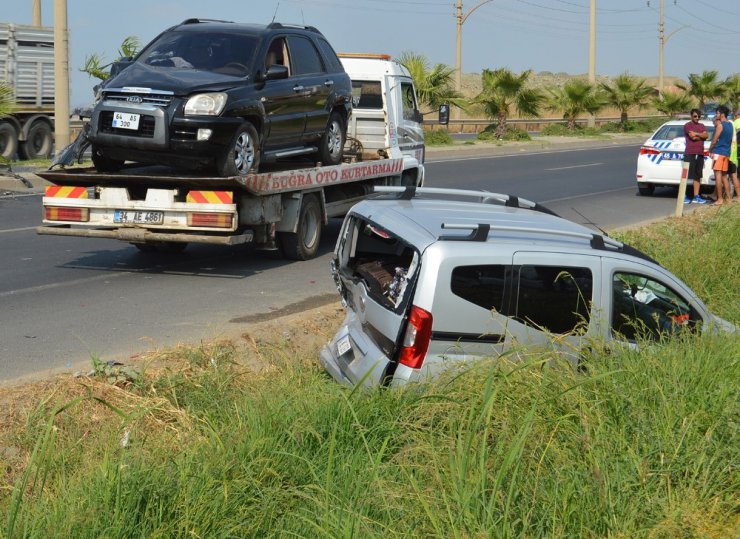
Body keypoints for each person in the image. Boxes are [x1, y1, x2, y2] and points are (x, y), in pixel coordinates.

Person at [683, 108, 710, 204]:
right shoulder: (687, 125)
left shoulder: (702, 125)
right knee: (687, 176)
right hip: (690, 153)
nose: (697, 118)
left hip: (700, 153)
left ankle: (696, 196)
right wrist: (701, 136)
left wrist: (698, 134)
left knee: (697, 176)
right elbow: (692, 137)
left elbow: (706, 136)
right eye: (695, 116)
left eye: (699, 116)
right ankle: (684, 195)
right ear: (691, 116)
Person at [708, 105, 733, 205]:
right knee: (724, 176)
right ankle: (729, 198)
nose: (716, 115)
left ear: (722, 114)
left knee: (717, 175)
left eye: (717, 113)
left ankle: (719, 199)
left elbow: (714, 140)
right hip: (726, 153)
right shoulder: (730, 125)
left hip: (718, 152)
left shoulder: (720, 125)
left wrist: (710, 149)